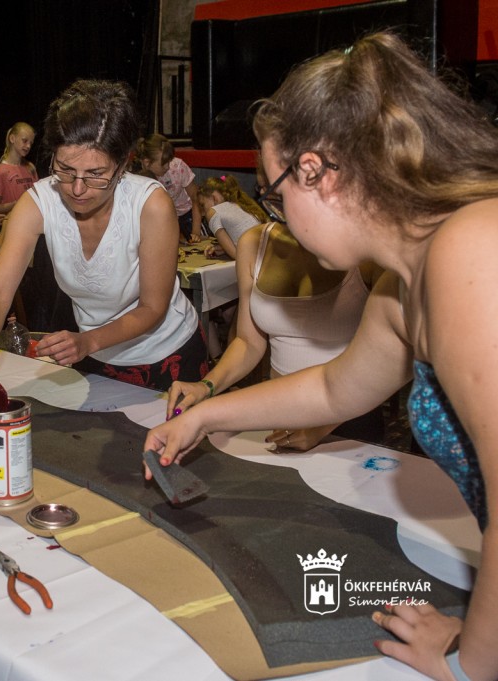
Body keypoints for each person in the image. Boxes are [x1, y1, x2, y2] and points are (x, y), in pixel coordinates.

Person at [143, 32, 498, 681]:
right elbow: (335, 388)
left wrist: (469, 663)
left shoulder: (469, 251)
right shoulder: (403, 283)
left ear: (317, 172)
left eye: (276, 195)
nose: (277, 213)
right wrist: (204, 415)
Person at [0, 79, 207, 392]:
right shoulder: (38, 202)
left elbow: (152, 308)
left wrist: (89, 341)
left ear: (121, 166)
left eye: (95, 175)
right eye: (64, 170)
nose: (77, 189)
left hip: (167, 354)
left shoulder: (150, 205)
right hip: (93, 352)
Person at [167, 162, 379, 451]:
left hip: (348, 422)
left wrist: (322, 424)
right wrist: (207, 386)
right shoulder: (253, 242)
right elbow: (248, 342)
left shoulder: (370, 250)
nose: (279, 212)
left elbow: (389, 357)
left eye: (282, 196)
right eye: (268, 196)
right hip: (278, 412)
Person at [135, 133, 203, 243]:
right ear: (147, 163)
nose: (167, 167)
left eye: (169, 161)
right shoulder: (137, 177)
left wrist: (196, 231)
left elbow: (195, 196)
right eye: (163, 164)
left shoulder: (177, 167)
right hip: (161, 217)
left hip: (186, 214)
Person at [195, 174, 267, 259]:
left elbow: (238, 256)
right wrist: (224, 249)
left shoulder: (213, 212)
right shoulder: (241, 205)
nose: (203, 214)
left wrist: (227, 249)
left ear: (214, 198)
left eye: (202, 205)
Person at [0, 122, 38, 216]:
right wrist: (17, 203)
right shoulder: (1, 171)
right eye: (24, 141)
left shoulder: (30, 167)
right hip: (14, 221)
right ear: (12, 138)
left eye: (31, 143)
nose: (28, 146)